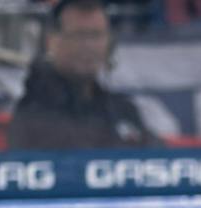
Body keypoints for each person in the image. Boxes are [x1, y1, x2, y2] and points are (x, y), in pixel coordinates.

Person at [9, 0, 154, 151]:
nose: (88, 45)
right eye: (79, 35)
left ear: (110, 43)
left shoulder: (123, 110)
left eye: (96, 35)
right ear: (51, 42)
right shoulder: (33, 112)